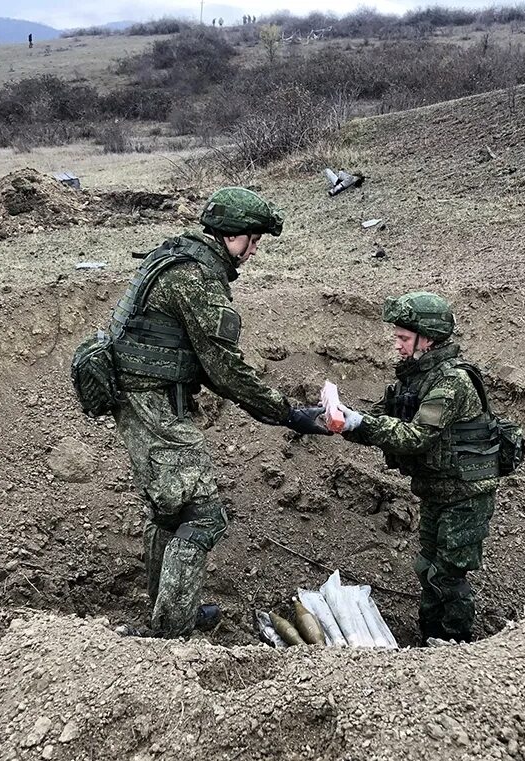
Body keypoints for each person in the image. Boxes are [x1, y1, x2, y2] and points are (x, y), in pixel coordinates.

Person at [109, 187, 329, 638]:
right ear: (233, 236)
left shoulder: (175, 256)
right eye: (254, 240)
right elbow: (224, 368)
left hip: (142, 398)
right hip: (153, 405)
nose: (253, 251)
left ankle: (169, 609)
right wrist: (288, 413)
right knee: (203, 515)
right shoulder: (196, 278)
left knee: (169, 512)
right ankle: (172, 631)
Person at [335, 293, 500, 643]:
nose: (397, 345)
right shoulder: (416, 378)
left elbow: (416, 437)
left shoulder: (452, 382)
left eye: (403, 338)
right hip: (438, 492)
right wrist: (338, 420)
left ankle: (455, 643)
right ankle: (431, 640)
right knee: (428, 569)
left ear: (428, 338)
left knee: (447, 576)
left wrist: (359, 423)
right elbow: (382, 418)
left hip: (465, 496)